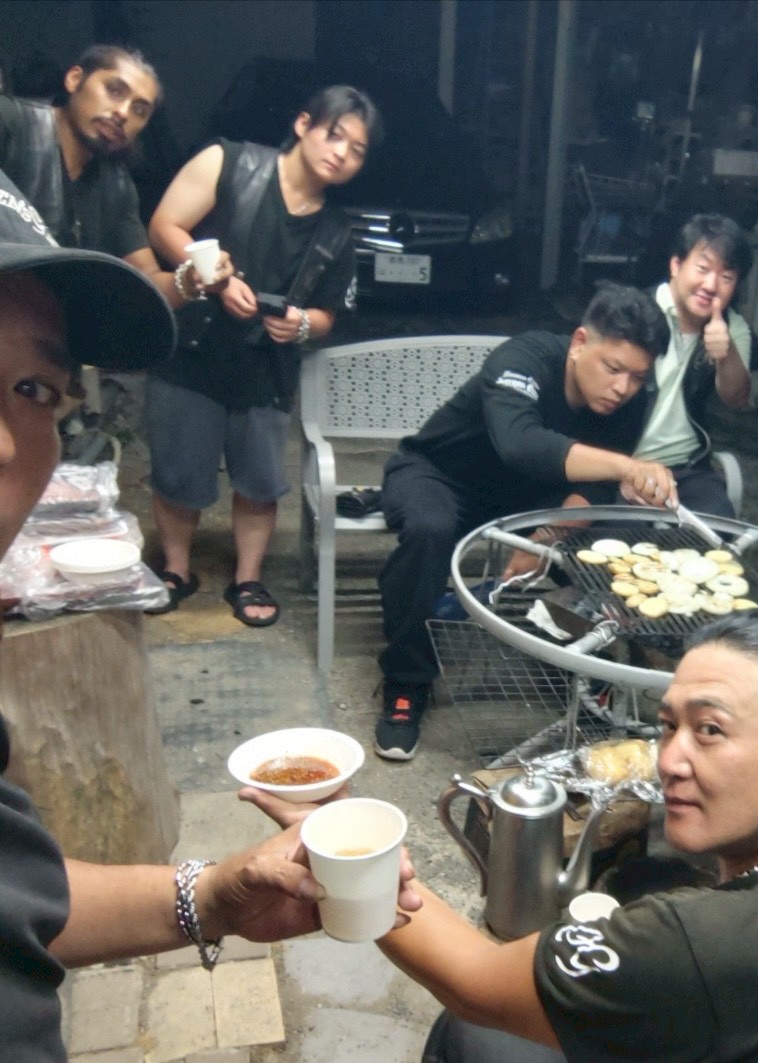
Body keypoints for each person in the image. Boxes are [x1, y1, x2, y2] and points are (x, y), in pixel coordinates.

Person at [0, 173, 421, 1063]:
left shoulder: (339, 230)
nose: (5, 439)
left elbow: (18, 896)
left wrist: (216, 894)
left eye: (32, 388)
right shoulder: (236, 172)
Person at [368, 612, 758, 1061]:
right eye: (668, 726)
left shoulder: (701, 940)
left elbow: (473, 981)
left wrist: (350, 854)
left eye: (710, 731)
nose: (669, 760)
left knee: (478, 1039)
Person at [374, 285, 674, 762]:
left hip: (527, 497)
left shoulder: (631, 400)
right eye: (613, 368)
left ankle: (584, 668)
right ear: (580, 342)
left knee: (612, 542)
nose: (623, 388)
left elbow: (594, 489)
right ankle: (406, 681)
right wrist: (627, 468)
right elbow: (520, 443)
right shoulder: (523, 360)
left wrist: (547, 537)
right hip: (440, 474)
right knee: (429, 530)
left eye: (638, 377)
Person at [145, 85, 381, 624]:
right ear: (303, 124)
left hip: (266, 367)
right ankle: (176, 569)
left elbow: (329, 314)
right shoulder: (228, 162)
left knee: (259, 483)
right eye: (334, 135)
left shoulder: (337, 230)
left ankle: (248, 579)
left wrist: (302, 324)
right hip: (194, 349)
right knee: (178, 474)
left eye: (357, 150)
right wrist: (214, 278)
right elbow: (164, 226)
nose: (341, 154)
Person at [0, 44, 228, 305]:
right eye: (114, 91)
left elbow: (146, 279)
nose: (123, 113)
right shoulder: (11, 122)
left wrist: (191, 279)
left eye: (139, 110)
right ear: (74, 79)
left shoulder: (117, 185)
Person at [631, 213, 753, 517]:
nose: (711, 285)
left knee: (718, 531)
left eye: (726, 277)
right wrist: (618, 468)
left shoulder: (733, 328)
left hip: (687, 469)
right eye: (702, 268)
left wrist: (726, 352)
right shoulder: (632, 313)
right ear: (676, 265)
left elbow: (737, 398)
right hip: (624, 460)